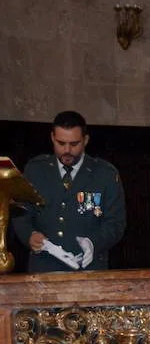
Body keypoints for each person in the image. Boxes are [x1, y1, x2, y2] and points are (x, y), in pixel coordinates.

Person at [12, 110, 126, 273]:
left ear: (85, 140)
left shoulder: (105, 174)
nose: (67, 150)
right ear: (52, 137)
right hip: (44, 269)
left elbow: (115, 223)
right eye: (60, 143)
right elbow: (21, 213)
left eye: (74, 144)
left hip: (89, 270)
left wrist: (93, 243)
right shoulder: (36, 170)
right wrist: (29, 235)